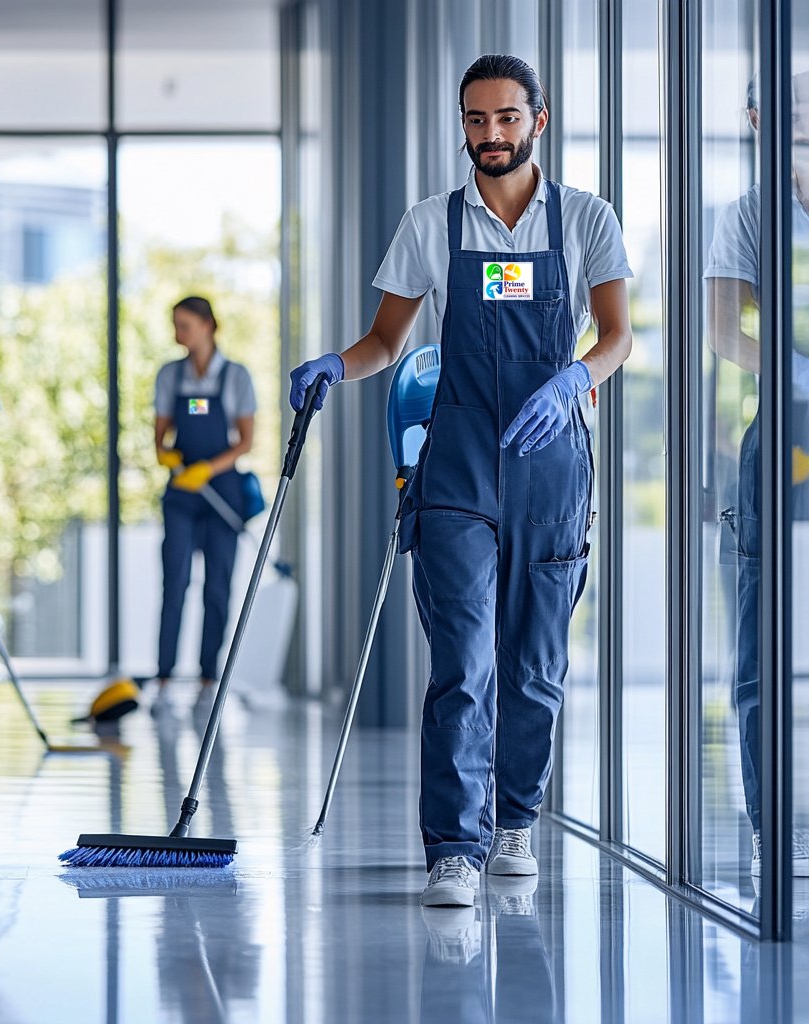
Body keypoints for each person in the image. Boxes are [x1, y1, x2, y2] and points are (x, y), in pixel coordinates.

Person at [289, 54, 633, 907]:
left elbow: (619, 336)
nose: (490, 136)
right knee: (463, 661)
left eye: (507, 119)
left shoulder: (585, 219)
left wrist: (575, 379)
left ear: (538, 121)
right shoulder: (430, 224)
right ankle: (454, 844)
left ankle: (515, 819)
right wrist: (338, 362)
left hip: (551, 467)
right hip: (457, 468)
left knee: (536, 667)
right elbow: (387, 342)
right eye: (476, 121)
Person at [705, 73, 809, 878]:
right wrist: (797, 371)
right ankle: (772, 823)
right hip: (783, 432)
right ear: (756, 119)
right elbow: (721, 331)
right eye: (787, 103)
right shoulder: (747, 213)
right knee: (760, 646)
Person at [154, 296, 257, 709]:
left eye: (185, 325)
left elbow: (247, 441)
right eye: (176, 325)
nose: (178, 334)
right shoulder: (170, 376)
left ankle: (207, 681)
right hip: (181, 493)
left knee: (217, 589)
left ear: (208, 326)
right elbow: (159, 434)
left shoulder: (235, 376)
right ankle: (163, 681)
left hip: (222, 493)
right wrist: (166, 454)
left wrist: (208, 469)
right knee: (174, 584)